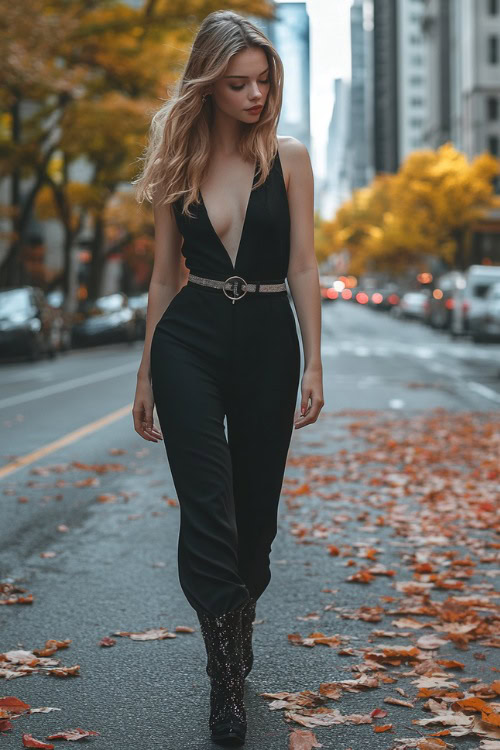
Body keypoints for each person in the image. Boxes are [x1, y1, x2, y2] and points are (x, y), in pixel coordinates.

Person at [132, 9, 323, 746]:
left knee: (256, 518)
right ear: (208, 86)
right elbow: (159, 279)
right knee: (207, 507)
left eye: (263, 81)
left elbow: (303, 263)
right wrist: (148, 370)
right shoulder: (175, 166)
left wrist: (315, 359)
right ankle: (224, 681)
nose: (254, 95)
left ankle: (239, 622)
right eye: (237, 83)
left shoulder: (291, 157)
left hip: (271, 340)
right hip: (190, 338)